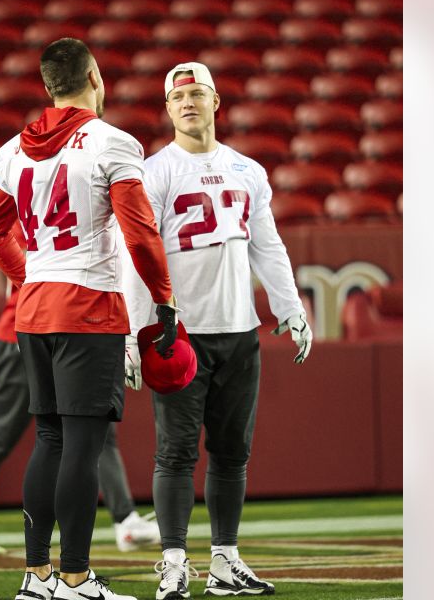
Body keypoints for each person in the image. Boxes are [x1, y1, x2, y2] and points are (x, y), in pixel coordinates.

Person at [0, 37, 179, 600]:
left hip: (34, 309)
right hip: (89, 307)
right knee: (83, 447)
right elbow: (139, 233)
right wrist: (164, 299)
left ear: (47, 87)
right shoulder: (114, 142)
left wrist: (28, 277)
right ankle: (75, 577)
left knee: (48, 440)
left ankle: (36, 575)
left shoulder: (14, 148)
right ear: (96, 77)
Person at [121, 62, 314, 599]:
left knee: (232, 453)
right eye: (178, 95)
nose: (188, 102)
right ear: (167, 108)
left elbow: (267, 245)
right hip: (179, 334)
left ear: (216, 101)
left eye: (197, 93)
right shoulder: (154, 172)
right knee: (176, 453)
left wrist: (289, 307)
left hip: (240, 329)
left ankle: (226, 561)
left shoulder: (247, 169)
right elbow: (137, 255)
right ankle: (175, 563)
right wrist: (137, 331)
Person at [0, 277, 163, 557]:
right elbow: (4, 244)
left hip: (74, 328)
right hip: (31, 331)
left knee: (95, 427)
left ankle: (125, 519)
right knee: (3, 435)